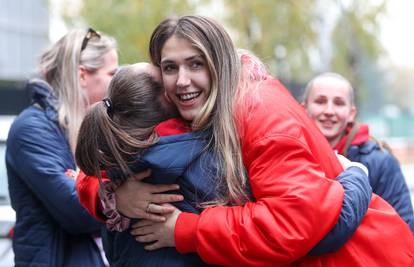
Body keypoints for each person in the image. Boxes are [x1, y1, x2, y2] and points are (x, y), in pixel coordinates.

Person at [77, 16, 414, 267]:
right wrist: (114, 197)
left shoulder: (259, 111)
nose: (181, 80)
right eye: (169, 67)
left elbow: (296, 223)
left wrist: (188, 229)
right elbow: (101, 152)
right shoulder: (188, 113)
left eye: (196, 64)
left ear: (219, 63)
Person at [6, 28, 118, 267]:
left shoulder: (92, 125)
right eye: (112, 74)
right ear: (82, 76)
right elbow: (78, 210)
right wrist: (127, 196)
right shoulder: (32, 129)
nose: (117, 83)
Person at [302, 72, 414, 232]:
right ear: (304, 108)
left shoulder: (381, 161)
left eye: (339, 103)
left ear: (351, 113)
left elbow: (404, 228)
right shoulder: (289, 155)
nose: (329, 110)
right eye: (320, 101)